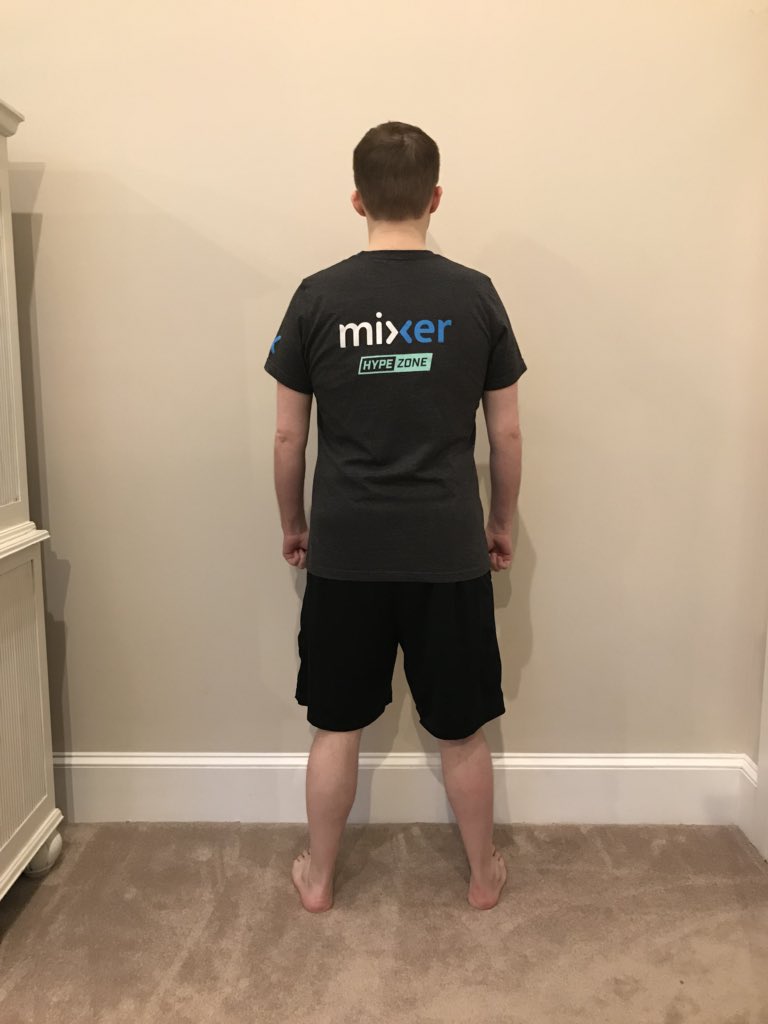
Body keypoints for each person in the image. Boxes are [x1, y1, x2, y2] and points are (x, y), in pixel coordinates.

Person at [264, 121, 526, 913]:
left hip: (347, 549)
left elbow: (287, 437)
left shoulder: (317, 297)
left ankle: (319, 879)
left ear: (357, 200)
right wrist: (501, 521)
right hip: (447, 547)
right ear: (435, 198)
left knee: (336, 725)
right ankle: (482, 877)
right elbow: (507, 434)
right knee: (462, 730)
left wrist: (293, 525)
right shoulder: (475, 295)